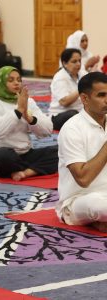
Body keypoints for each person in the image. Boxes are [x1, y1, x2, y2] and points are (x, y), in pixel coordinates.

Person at [0, 66, 58, 181]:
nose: (16, 83)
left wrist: (29, 117)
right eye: (11, 80)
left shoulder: (27, 101)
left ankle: (25, 173)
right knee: (3, 156)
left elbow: (48, 130)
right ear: (1, 82)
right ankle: (35, 168)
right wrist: (18, 111)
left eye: (19, 80)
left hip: (24, 153)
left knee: (60, 151)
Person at [56, 72, 107, 232]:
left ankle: (101, 223)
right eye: (101, 95)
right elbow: (83, 179)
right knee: (100, 206)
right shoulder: (72, 129)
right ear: (84, 99)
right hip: (80, 199)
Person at [49, 48, 87, 130]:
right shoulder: (60, 77)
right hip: (60, 115)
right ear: (64, 63)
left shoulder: (82, 74)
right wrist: (81, 87)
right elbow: (64, 102)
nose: (78, 64)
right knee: (74, 115)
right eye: (74, 61)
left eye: (79, 61)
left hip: (81, 111)